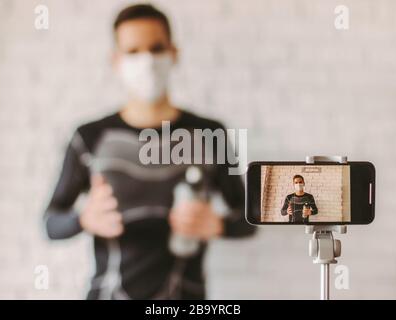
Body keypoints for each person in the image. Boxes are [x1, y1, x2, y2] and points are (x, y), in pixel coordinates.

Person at [43, 4, 255, 300]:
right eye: (133, 51)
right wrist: (83, 219)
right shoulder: (88, 137)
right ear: (116, 60)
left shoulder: (212, 133)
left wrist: (218, 224)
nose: (147, 61)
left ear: (174, 53)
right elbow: (51, 222)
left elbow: (251, 216)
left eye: (156, 48)